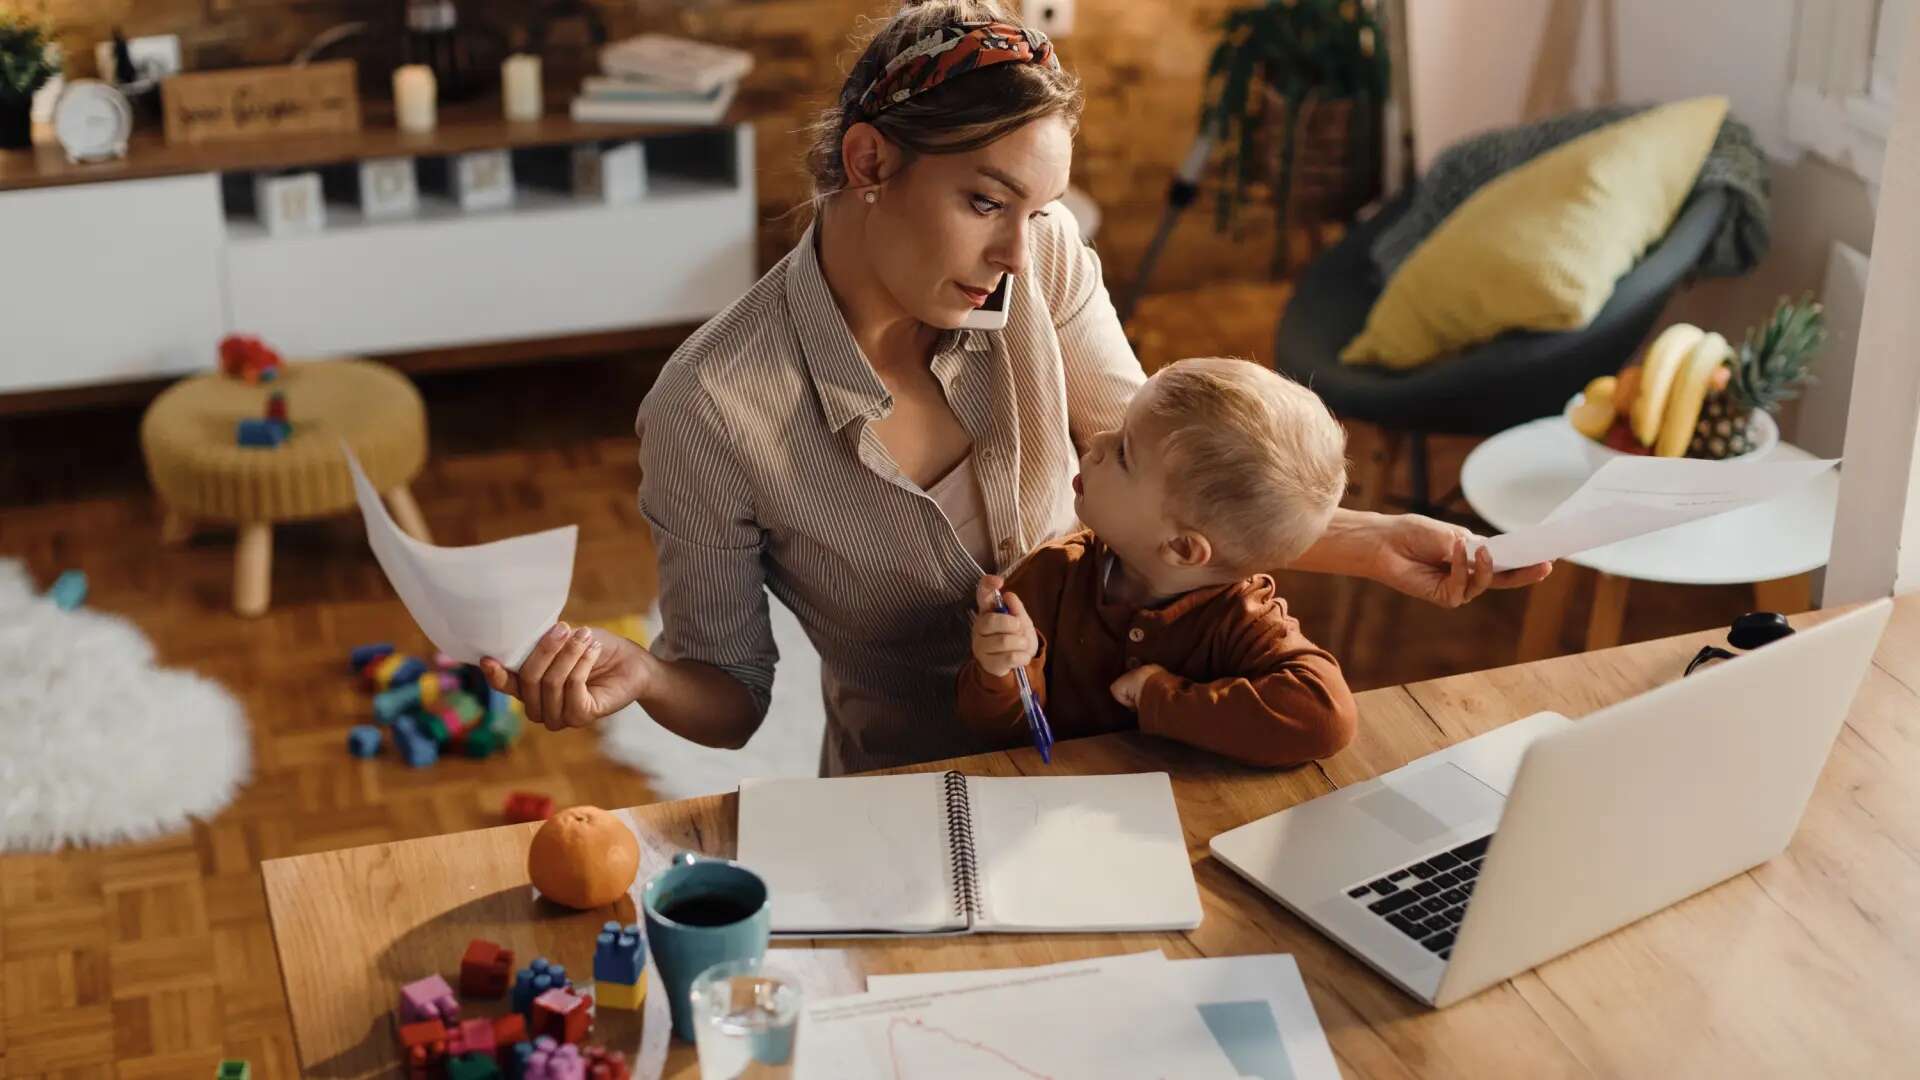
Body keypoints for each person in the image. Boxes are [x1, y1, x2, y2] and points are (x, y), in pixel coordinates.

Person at [482, 2, 1550, 776]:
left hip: (1122, 767)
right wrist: (645, 677)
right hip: (910, 794)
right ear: (868, 162)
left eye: (1036, 208)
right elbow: (730, 700)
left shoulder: (1046, 262)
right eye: (986, 200)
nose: (1016, 249)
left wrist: (1364, 542)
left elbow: (1178, 489)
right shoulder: (709, 406)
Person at [959, 358, 1357, 766]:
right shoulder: (1051, 577)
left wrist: (1162, 697)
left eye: (1124, 454)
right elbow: (996, 732)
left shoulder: (1244, 618)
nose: (1096, 441)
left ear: (1183, 549)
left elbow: (1327, 717)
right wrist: (1001, 672)